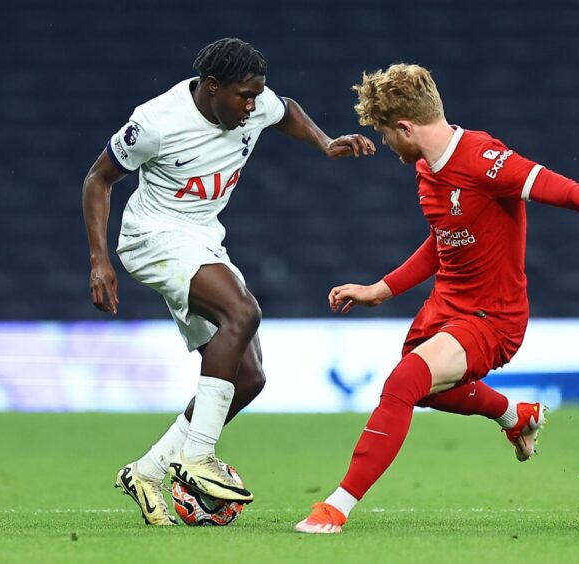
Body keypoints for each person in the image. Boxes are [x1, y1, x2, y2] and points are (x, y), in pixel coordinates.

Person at [294, 63, 579, 534]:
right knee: (428, 393)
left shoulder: (485, 159)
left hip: (492, 316)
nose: (387, 144)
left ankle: (337, 506)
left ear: (406, 127)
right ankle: (517, 415)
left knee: (403, 383)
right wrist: (381, 289)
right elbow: (442, 237)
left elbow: (569, 192)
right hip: (445, 307)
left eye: (387, 134)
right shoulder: (427, 168)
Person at [82, 38, 376, 526]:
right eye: (244, 96)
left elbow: (287, 111)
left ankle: (149, 470)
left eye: (257, 94)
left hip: (202, 239)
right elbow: (98, 178)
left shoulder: (254, 104)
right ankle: (198, 456)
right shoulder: (155, 122)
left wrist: (325, 143)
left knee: (250, 377)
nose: (253, 105)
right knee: (242, 312)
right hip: (152, 237)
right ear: (211, 88)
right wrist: (99, 260)